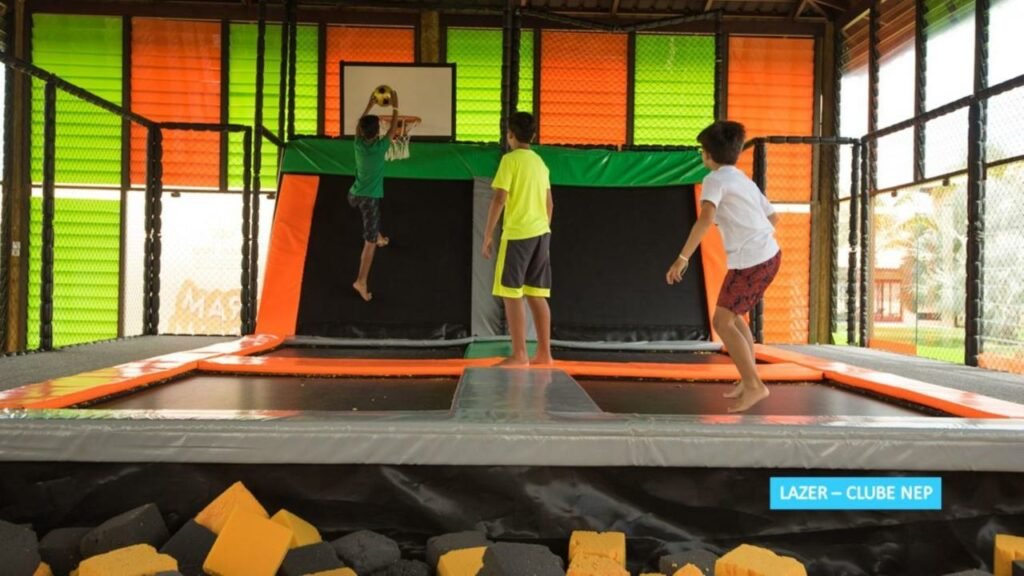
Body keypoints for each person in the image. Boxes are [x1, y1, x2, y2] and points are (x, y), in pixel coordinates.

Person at [666, 120, 781, 413]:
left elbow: (706, 217)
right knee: (733, 318)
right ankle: (748, 378)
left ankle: (755, 385)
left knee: (722, 322)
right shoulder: (743, 179)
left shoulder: (715, 180)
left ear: (707, 155)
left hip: (753, 261)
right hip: (763, 256)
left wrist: (682, 257)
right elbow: (773, 218)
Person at [483, 111, 554, 367]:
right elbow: (549, 204)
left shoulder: (509, 161)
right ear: (533, 136)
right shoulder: (540, 163)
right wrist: (543, 230)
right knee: (536, 294)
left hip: (518, 234)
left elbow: (499, 198)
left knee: (511, 294)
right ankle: (544, 354)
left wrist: (488, 235)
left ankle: (520, 354)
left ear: (510, 135)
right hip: (541, 234)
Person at [348, 89, 400, 302]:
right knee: (369, 244)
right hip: (368, 200)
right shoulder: (380, 147)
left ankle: (378, 236)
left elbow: (359, 126)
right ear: (378, 132)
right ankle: (361, 281)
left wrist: (369, 106)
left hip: (353, 195)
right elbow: (394, 129)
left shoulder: (358, 145)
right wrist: (395, 106)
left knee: (372, 225)